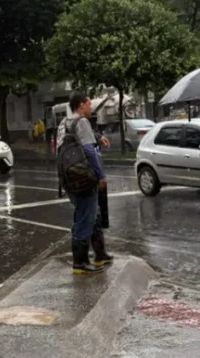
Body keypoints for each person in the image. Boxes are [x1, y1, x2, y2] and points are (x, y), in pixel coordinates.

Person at [56, 92, 113, 274]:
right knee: (85, 217)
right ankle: (79, 263)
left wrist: (97, 136)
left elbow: (70, 142)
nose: (91, 107)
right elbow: (89, 151)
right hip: (84, 178)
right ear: (81, 105)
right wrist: (100, 175)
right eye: (89, 104)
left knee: (92, 214)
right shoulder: (82, 122)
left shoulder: (64, 123)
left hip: (69, 177)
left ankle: (100, 254)